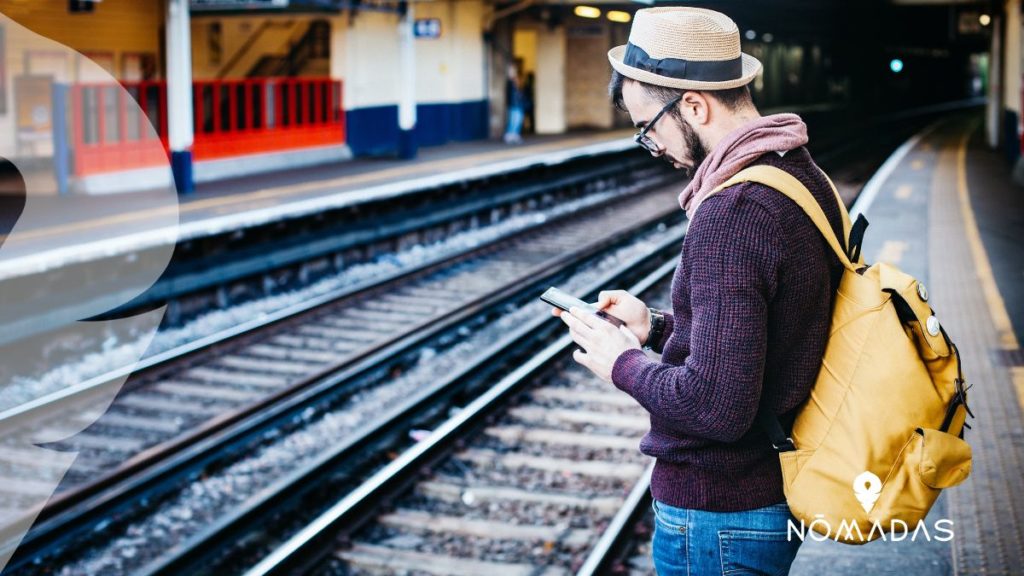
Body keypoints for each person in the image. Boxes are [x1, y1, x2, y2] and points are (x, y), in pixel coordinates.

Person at [553, 7, 845, 575]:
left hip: (720, 514)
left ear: (693, 105)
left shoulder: (732, 211)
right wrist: (655, 328)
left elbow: (715, 407)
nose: (652, 145)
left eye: (649, 126)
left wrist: (624, 362)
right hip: (764, 495)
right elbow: (772, 331)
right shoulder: (800, 171)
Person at [504, 63, 524, 144]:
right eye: (511, 71)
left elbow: (519, 93)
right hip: (513, 104)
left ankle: (515, 135)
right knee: (513, 120)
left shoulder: (516, 81)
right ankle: (510, 135)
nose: (513, 72)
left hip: (518, 104)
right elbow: (509, 95)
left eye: (514, 71)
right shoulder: (509, 82)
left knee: (518, 120)